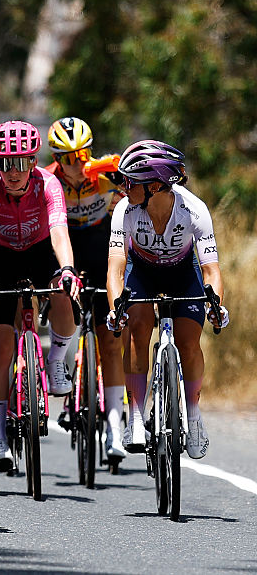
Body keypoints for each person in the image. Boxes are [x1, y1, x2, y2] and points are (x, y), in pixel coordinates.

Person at [106, 140, 226, 460]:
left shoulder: (194, 210)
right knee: (139, 327)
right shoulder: (124, 210)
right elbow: (116, 269)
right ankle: (134, 416)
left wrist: (216, 304)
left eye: (130, 181)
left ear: (155, 186)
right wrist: (115, 309)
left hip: (182, 273)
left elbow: (211, 269)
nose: (123, 187)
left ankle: (194, 414)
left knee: (189, 342)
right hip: (141, 272)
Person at [0, 120, 80, 471]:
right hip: (2, 256)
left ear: (33, 162)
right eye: (5, 162)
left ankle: (56, 360)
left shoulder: (48, 184)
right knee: (1, 345)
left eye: (21, 162)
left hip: (40, 251)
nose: (13, 171)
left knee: (64, 292)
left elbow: (59, 231)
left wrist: (67, 268)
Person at [44, 116, 127, 461]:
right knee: (64, 305)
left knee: (110, 339)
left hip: (101, 248)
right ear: (56, 158)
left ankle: (116, 428)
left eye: (83, 154)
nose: (77, 163)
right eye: (67, 157)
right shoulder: (48, 180)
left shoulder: (109, 172)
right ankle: (60, 361)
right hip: (66, 249)